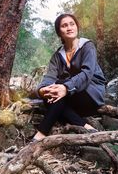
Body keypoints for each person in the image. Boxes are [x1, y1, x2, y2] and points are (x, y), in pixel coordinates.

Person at [32, 13, 106, 141]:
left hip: (91, 94)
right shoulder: (57, 55)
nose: (69, 27)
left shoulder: (87, 46)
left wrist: (65, 88)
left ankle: (42, 132)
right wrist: (42, 90)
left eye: (72, 24)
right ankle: (83, 125)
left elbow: (87, 74)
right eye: (64, 26)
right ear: (59, 32)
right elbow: (49, 77)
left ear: (77, 27)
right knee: (51, 92)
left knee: (60, 86)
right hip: (71, 98)